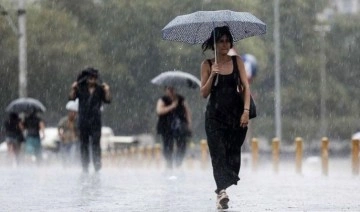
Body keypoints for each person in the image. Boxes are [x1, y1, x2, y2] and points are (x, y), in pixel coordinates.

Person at [200, 26, 251, 210]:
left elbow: (246, 87)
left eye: (227, 40)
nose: (224, 44)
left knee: (232, 153)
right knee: (218, 153)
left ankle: (223, 185)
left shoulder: (237, 62)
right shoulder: (207, 64)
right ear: (214, 43)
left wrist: (246, 111)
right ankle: (221, 192)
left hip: (234, 117)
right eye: (221, 41)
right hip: (214, 118)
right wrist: (213, 74)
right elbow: (203, 93)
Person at [69, 67, 111, 173]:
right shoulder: (80, 88)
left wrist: (107, 91)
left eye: (94, 78)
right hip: (83, 120)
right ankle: (85, 166)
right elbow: (71, 98)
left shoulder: (100, 89)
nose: (92, 80)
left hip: (96, 120)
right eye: (90, 78)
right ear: (86, 78)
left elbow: (108, 100)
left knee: (96, 143)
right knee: (84, 144)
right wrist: (73, 89)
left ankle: (97, 165)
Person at [156, 86, 192, 170]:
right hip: (166, 127)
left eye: (173, 89)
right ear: (166, 90)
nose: (171, 91)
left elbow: (187, 112)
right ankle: (169, 164)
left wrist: (189, 124)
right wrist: (171, 106)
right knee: (167, 146)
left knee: (182, 145)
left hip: (180, 127)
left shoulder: (181, 99)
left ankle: (178, 163)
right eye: (169, 89)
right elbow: (159, 111)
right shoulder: (162, 100)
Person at [57, 100, 80, 166]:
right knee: (64, 156)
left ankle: (71, 166)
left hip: (73, 141)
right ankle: (65, 166)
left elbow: (78, 131)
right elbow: (59, 127)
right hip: (64, 141)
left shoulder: (76, 121)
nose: (72, 114)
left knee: (72, 155)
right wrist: (60, 135)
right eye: (71, 112)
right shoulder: (64, 120)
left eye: (74, 112)